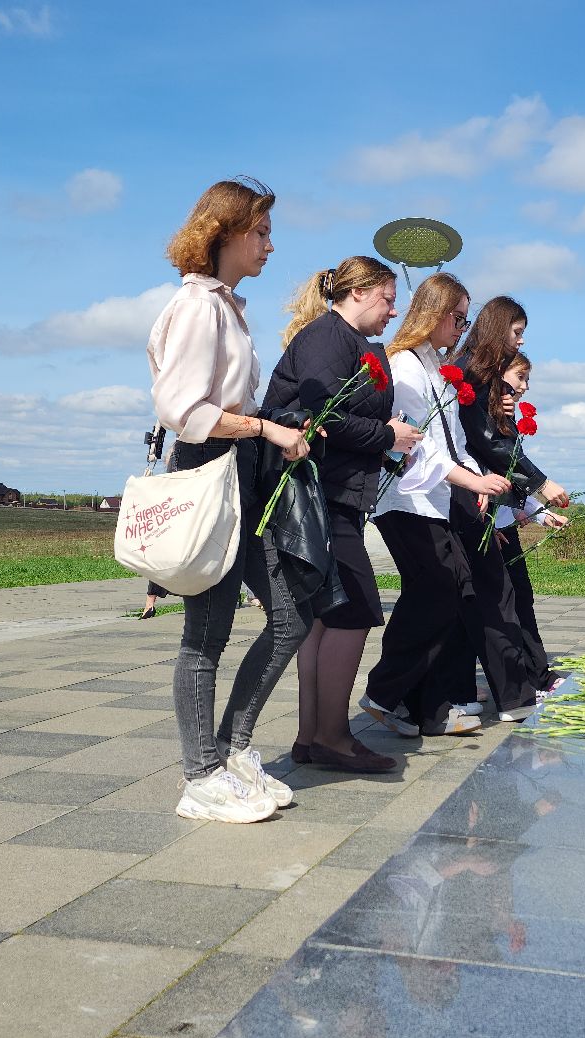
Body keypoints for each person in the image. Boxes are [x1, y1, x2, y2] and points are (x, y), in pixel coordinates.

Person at [147, 177, 312, 822]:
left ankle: (232, 748)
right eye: (262, 232)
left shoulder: (226, 305)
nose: (270, 246)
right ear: (228, 232)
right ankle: (200, 776)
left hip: (238, 472)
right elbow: (185, 411)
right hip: (210, 467)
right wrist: (264, 427)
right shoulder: (197, 307)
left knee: (289, 613)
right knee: (206, 632)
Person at [266, 255, 422, 773]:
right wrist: (388, 436)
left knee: (324, 618)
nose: (394, 310)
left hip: (337, 497)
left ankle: (312, 738)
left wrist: (385, 442)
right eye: (387, 297)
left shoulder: (353, 344)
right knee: (354, 611)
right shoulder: (324, 337)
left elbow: (345, 415)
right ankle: (332, 737)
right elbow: (322, 413)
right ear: (357, 293)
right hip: (320, 497)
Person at [362, 272, 505, 740]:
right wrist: (473, 478)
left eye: (465, 320)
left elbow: (455, 442)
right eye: (457, 318)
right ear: (434, 313)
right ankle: (386, 692)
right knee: (441, 590)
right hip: (404, 498)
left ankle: (422, 704)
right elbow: (421, 449)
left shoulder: (437, 369)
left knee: (450, 592)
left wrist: (476, 483)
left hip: (434, 499)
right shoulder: (403, 366)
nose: (461, 328)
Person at [455, 298, 567, 720]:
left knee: (497, 597)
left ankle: (495, 688)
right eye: (516, 332)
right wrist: (540, 484)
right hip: (469, 499)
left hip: (484, 502)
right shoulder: (471, 371)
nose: (520, 340)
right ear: (499, 328)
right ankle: (510, 689)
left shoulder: (480, 379)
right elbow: (485, 445)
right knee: (486, 599)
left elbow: (493, 443)